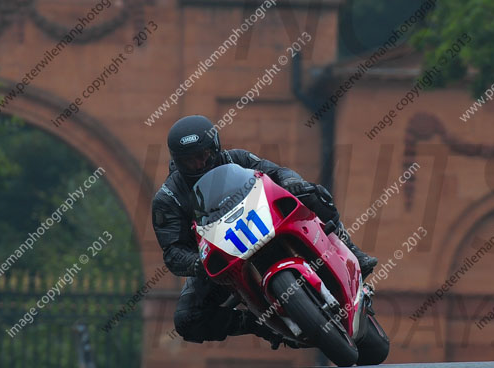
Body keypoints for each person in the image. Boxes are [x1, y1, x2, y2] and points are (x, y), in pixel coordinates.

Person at [151, 115, 378, 347]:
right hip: (219, 258)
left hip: (265, 223)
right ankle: (260, 325)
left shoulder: (236, 159)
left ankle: (352, 251)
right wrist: (197, 263)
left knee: (312, 193)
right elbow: (173, 251)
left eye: (203, 156)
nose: (199, 164)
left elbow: (277, 172)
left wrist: (292, 182)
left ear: (215, 148)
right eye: (190, 161)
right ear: (178, 162)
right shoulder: (168, 199)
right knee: (186, 320)